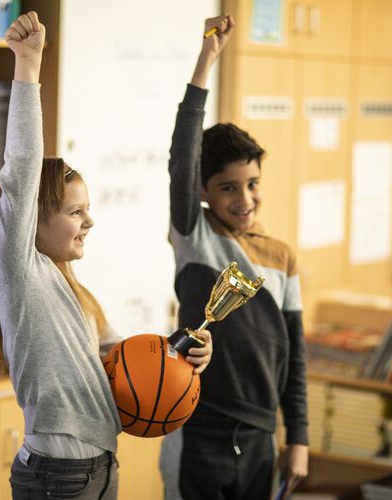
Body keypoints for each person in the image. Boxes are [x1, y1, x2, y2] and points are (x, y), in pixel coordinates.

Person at [0, 12, 212, 499]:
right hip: (56, 477)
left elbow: (119, 358)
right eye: (75, 212)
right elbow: (20, 168)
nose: (89, 222)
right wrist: (28, 66)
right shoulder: (18, 274)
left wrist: (182, 353)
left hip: (99, 468)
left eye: (88, 210)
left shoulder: (74, 290)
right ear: (35, 216)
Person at [159, 14, 309, 500]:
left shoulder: (281, 257)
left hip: (262, 433)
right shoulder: (194, 235)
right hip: (199, 426)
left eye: (252, 184)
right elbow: (183, 155)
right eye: (228, 188)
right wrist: (207, 61)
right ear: (203, 191)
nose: (244, 199)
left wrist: (299, 438)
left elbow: (295, 356)